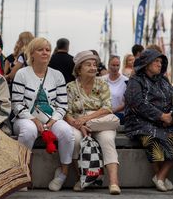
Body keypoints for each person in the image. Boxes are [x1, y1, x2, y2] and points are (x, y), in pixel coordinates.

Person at [11, 37, 74, 192]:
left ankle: (63, 173)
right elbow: (16, 104)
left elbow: (62, 105)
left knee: (67, 132)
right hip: (25, 118)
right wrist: (33, 120)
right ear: (32, 54)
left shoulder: (57, 75)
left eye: (47, 49)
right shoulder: (22, 74)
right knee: (29, 131)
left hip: (50, 118)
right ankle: (22, 173)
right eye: (40, 49)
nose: (45, 52)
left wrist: (53, 121)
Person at [124, 49, 173, 192]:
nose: (159, 64)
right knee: (153, 141)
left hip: (164, 122)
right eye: (156, 61)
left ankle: (160, 177)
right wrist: (161, 116)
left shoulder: (164, 80)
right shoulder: (136, 80)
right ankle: (161, 177)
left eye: (161, 62)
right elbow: (137, 103)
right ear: (146, 64)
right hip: (139, 122)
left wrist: (171, 116)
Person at [65, 50, 121, 195]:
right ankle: (81, 179)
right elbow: (67, 113)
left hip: (100, 121)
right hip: (77, 123)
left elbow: (107, 108)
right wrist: (80, 124)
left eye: (95, 65)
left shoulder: (102, 84)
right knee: (75, 140)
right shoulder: (71, 87)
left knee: (108, 140)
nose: (93, 68)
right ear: (79, 69)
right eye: (88, 65)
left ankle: (114, 183)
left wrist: (87, 120)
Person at [102, 55, 128, 124]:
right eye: (113, 65)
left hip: (119, 114)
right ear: (108, 65)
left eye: (117, 65)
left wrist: (112, 110)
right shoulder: (102, 80)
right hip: (103, 113)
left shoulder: (125, 81)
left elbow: (126, 102)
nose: (115, 68)